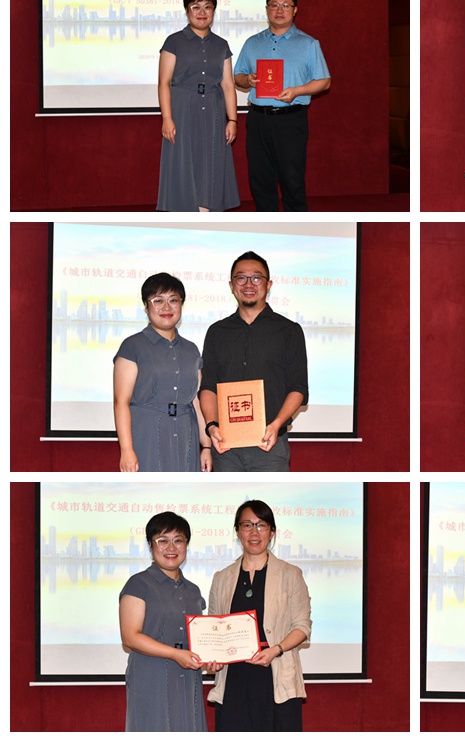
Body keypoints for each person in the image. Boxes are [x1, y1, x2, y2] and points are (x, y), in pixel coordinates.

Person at [208, 500, 312, 732]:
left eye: (261, 525)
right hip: (234, 678)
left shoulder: (291, 574)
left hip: (276, 674)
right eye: (247, 525)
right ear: (237, 531)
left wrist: (276, 649)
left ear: (272, 532)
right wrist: (213, 657)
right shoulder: (221, 578)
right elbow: (214, 626)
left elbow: (302, 626)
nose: (254, 532)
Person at [199, 251, 308, 471]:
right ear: (231, 285)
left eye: (257, 278)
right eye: (241, 278)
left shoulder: (289, 331)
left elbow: (298, 388)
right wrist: (211, 426)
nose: (248, 284)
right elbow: (208, 386)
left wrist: (276, 424)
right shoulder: (217, 332)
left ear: (269, 285)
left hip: (271, 447)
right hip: (226, 448)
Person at [118, 511, 222, 732]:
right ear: (150, 545)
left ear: (186, 545)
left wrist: (209, 661)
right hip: (150, 677)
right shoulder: (138, 584)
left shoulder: (193, 591)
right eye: (162, 541)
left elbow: (196, 641)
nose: (171, 548)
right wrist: (175, 654)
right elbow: (130, 637)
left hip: (187, 678)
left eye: (178, 540)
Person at [234, 0, 331, 211]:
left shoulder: (308, 44)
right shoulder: (252, 42)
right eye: (274, 5)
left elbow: (324, 81)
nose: (280, 10)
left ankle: (296, 226)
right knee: (260, 180)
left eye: (286, 5)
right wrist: (247, 80)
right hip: (258, 119)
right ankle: (267, 224)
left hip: (291, 120)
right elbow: (237, 76)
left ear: (295, 10)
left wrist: (297, 91)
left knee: (292, 180)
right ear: (267, 9)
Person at [113, 272, 212, 472]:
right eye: (158, 300)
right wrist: (126, 449)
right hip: (147, 435)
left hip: (186, 434)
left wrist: (207, 446)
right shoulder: (132, 346)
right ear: (146, 306)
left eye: (173, 300)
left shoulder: (191, 349)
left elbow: (195, 400)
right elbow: (121, 401)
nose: (166, 307)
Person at [157, 0, 240, 212]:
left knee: (212, 161)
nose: (202, 12)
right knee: (183, 162)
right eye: (196, 7)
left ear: (214, 11)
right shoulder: (173, 41)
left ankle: (206, 213)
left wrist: (232, 120)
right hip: (182, 110)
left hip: (214, 109)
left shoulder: (221, 45)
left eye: (207, 7)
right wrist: (167, 118)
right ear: (187, 11)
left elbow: (228, 84)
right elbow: (164, 82)